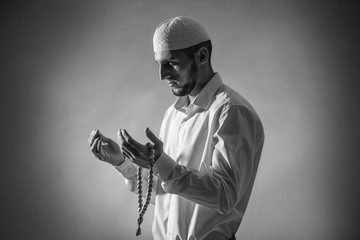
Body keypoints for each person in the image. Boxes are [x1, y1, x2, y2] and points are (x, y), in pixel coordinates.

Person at [88, 16, 264, 240]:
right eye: (159, 65)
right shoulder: (172, 114)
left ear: (202, 56)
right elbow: (166, 194)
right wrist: (122, 163)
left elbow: (225, 197)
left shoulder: (232, 112)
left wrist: (161, 164)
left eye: (171, 63)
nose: (162, 75)